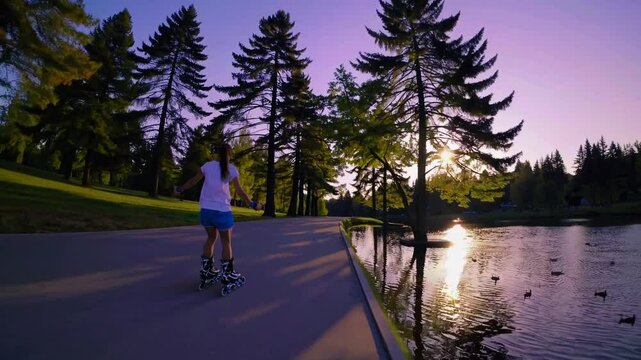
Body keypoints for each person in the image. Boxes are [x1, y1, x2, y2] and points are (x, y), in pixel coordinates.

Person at [175, 144, 261, 295]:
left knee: (210, 238)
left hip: (206, 211)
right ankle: (228, 275)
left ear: (217, 154)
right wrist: (253, 204)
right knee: (226, 242)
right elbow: (240, 192)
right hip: (222, 211)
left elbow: (194, 180)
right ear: (230, 155)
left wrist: (180, 189)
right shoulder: (231, 169)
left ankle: (206, 272)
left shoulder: (208, 166)